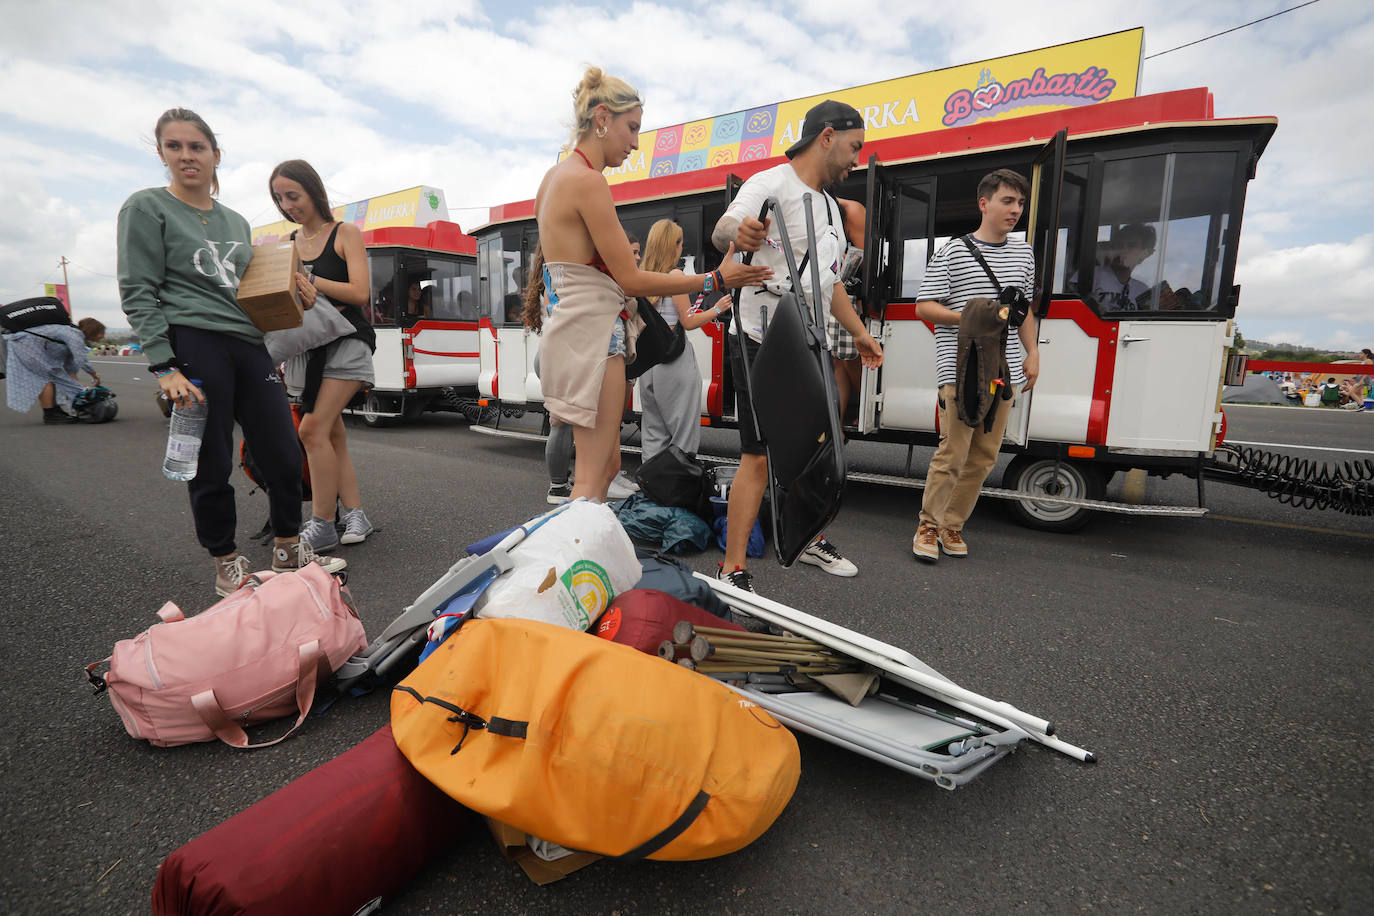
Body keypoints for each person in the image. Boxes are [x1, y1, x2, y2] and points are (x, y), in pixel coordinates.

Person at [117, 108, 345, 597]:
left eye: (196, 147)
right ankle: (226, 561)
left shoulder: (236, 221)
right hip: (194, 342)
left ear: (215, 155)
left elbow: (249, 291)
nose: (186, 156)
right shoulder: (146, 208)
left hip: (248, 343)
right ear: (161, 154)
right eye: (174, 147)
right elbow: (138, 288)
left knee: (283, 450)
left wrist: (295, 296)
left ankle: (287, 547)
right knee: (211, 458)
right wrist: (163, 364)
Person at [533, 66, 770, 501]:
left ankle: (583, 561)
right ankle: (581, 565)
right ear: (602, 117)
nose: (636, 143)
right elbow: (630, 277)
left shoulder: (553, 179)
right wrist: (715, 277)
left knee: (602, 466)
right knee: (592, 476)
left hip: (570, 328)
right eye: (632, 128)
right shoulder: (588, 182)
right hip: (594, 335)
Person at [710, 99, 884, 591]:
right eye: (854, 148)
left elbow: (830, 289)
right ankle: (731, 568)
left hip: (808, 338)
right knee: (760, 455)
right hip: (761, 337)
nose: (855, 160)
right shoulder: (770, 184)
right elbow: (727, 226)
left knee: (814, 448)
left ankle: (808, 538)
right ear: (826, 137)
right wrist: (739, 231)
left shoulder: (831, 207)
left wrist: (860, 333)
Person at [912, 168, 1038, 562]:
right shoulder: (952, 251)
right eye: (1007, 201)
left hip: (1005, 371)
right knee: (953, 453)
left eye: (1020, 203)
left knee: (984, 457)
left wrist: (1032, 352)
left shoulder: (1024, 253)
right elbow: (923, 306)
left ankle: (952, 525)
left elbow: (1023, 309)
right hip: (960, 369)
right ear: (984, 203)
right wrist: (972, 317)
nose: (1015, 210)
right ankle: (928, 526)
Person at [269, 159, 378, 549]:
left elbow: (361, 293)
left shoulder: (345, 232)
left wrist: (311, 280)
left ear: (313, 191)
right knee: (332, 433)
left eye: (293, 195)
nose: (287, 205)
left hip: (348, 339)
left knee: (311, 429)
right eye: (280, 199)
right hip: (307, 347)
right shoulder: (287, 245)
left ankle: (321, 523)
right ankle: (355, 516)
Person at [638, 218, 732, 460]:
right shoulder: (675, 275)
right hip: (674, 361)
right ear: (673, 245)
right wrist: (717, 309)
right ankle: (678, 485)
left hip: (648, 362)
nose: (682, 248)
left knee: (653, 432)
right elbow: (688, 321)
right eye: (680, 243)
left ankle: (652, 485)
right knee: (683, 434)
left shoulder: (642, 276)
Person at [3, 314, 104, 423]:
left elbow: (71, 366)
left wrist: (77, 389)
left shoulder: (71, 333)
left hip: (24, 344)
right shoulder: (74, 335)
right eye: (101, 333)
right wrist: (94, 375)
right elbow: (81, 359)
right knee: (47, 376)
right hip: (25, 345)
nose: (102, 336)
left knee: (57, 378)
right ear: (92, 330)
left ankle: (55, 410)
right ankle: (50, 414)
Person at [1083, 223, 1155, 310]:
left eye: (1131, 245)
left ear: (1144, 253)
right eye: (1119, 245)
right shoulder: (1091, 275)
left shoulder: (1142, 291)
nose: (1123, 250)